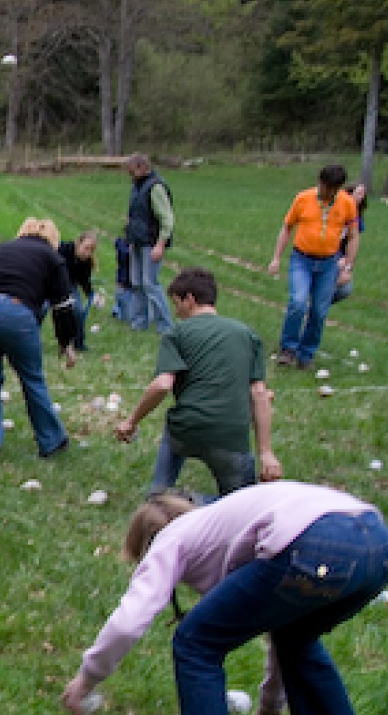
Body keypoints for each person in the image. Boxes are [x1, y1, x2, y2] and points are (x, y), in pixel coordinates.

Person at [62, 483, 388, 715]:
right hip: (377, 545)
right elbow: (279, 626)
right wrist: (270, 705)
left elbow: (128, 622)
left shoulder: (173, 538)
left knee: (196, 641)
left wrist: (87, 679)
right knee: (297, 637)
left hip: (315, 541)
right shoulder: (222, 523)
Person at [114, 267, 281, 497]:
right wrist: (266, 453)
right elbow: (259, 393)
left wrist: (131, 421)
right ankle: (206, 508)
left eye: (176, 304)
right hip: (231, 436)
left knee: (160, 496)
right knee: (242, 508)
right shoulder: (247, 335)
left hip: (185, 429)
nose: (176, 312)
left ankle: (170, 502)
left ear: (190, 300)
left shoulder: (177, 333)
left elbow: (163, 384)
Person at [0, 218, 76, 460]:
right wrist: (67, 343)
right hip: (16, 312)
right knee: (31, 377)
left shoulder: (2, 248)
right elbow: (63, 306)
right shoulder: (52, 257)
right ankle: (52, 441)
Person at [268, 165, 360, 369]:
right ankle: (288, 349)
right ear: (320, 182)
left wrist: (347, 267)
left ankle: (306, 354)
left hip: (328, 263)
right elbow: (287, 227)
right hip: (302, 259)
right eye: (327, 188)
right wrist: (276, 258)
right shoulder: (303, 198)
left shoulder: (347, 203)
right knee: (298, 302)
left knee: (319, 311)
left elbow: (353, 236)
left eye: (334, 189)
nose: (330, 193)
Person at [123, 152, 175, 334]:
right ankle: (139, 322)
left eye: (132, 170)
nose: (129, 173)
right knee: (136, 282)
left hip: (151, 243)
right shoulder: (137, 186)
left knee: (150, 284)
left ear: (143, 168)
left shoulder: (155, 187)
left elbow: (167, 219)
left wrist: (160, 244)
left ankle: (165, 325)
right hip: (136, 241)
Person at [58, 230, 97, 351]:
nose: (88, 253)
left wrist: (91, 294)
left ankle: (78, 343)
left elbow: (84, 281)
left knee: (78, 311)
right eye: (86, 248)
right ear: (78, 243)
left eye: (91, 250)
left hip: (70, 286)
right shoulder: (63, 250)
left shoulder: (87, 262)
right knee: (41, 308)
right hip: (51, 283)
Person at [331, 183, 366, 305]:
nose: (361, 196)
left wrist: (346, 262)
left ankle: (317, 305)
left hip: (340, 257)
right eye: (358, 193)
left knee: (345, 290)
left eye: (363, 194)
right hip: (325, 253)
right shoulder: (334, 210)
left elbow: (352, 243)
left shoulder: (357, 220)